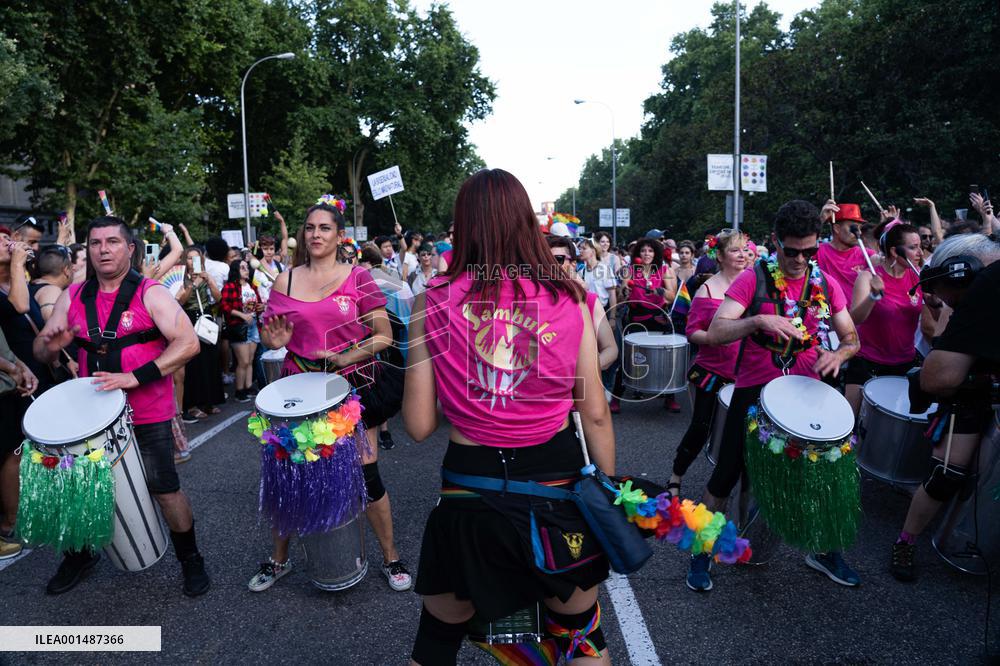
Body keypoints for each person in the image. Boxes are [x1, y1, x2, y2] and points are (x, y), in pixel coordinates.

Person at [404, 169, 615, 665]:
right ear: (526, 223)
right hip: (557, 486)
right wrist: (609, 494)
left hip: (469, 491)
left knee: (436, 643)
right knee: (583, 639)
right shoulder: (570, 297)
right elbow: (595, 413)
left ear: (464, 225)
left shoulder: (431, 300)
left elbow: (418, 425)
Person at [687, 199, 862, 592]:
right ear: (775, 241)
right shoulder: (753, 279)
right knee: (724, 476)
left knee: (820, 476)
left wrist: (838, 354)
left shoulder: (825, 283)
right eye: (791, 251)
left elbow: (852, 338)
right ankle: (702, 550)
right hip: (755, 392)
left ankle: (824, 551)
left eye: (809, 251)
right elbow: (716, 331)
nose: (800, 260)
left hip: (807, 394)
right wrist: (758, 320)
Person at [33, 216, 209, 596]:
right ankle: (80, 555)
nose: (103, 250)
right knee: (81, 488)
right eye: (95, 243)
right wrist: (49, 346)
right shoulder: (73, 296)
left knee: (164, 489)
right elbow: (41, 350)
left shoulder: (150, 293)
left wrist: (135, 376)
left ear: (130, 248)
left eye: (112, 242)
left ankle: (190, 558)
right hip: (89, 416)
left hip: (147, 412)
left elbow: (188, 343)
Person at [254, 198, 411, 593]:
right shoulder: (286, 281)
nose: (316, 234)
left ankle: (391, 558)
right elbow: (273, 336)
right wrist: (273, 341)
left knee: (366, 473)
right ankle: (279, 560)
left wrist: (344, 356)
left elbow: (383, 335)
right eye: (310, 227)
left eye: (324, 228)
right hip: (298, 388)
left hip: (350, 386)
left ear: (340, 236)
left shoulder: (358, 277)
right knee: (292, 473)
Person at [889, 233, 1000, 582]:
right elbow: (940, 361)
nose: (941, 296)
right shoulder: (961, 303)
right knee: (946, 475)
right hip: (969, 396)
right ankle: (906, 541)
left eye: (943, 289)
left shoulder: (980, 287)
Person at [667, 229, 748, 497]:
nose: (742, 255)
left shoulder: (754, 285)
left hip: (746, 374)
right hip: (712, 371)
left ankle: (728, 489)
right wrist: (715, 338)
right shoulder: (708, 288)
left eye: (745, 250)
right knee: (701, 427)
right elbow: (692, 332)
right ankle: (676, 475)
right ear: (720, 256)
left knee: (741, 432)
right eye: (735, 250)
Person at [845, 220, 923, 416]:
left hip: (905, 364)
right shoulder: (867, 277)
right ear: (895, 251)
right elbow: (854, 319)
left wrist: (936, 303)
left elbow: (936, 320)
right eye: (913, 247)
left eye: (920, 246)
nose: (920, 253)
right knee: (851, 422)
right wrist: (873, 297)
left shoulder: (919, 277)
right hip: (867, 363)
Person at [0, 231, 40, 560]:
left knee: (15, 450)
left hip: (9, 381)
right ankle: (10, 523)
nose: (8, 243)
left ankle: (14, 519)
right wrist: (13, 369)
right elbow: (21, 306)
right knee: (9, 453)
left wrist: (20, 366)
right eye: (0, 241)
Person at [610, 238, 677, 413]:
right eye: (643, 250)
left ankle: (670, 397)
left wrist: (660, 291)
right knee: (629, 357)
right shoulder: (630, 270)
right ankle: (616, 397)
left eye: (650, 251)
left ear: (656, 253)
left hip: (658, 318)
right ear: (638, 253)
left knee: (666, 358)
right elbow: (621, 296)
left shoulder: (664, 270)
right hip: (636, 318)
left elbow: (672, 296)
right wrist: (624, 291)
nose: (647, 254)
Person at [550, 236, 617, 371]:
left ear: (573, 264)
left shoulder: (589, 300)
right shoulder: (530, 300)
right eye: (544, 260)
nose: (550, 266)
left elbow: (611, 350)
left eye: (558, 260)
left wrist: (583, 371)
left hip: (602, 309)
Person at [175, 247, 224, 422]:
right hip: (189, 318)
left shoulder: (205, 275)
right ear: (184, 260)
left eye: (196, 258)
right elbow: (180, 301)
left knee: (210, 360)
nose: (192, 261)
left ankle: (209, 401)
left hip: (206, 318)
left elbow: (218, 298)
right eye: (189, 258)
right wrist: (193, 284)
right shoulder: (181, 277)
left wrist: (209, 280)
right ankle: (192, 405)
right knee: (194, 363)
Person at [817, 202, 877, 300]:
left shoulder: (866, 254)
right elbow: (799, 245)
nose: (859, 232)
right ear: (837, 228)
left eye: (860, 228)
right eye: (854, 228)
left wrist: (890, 227)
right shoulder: (818, 251)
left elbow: (885, 262)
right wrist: (820, 220)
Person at [220, 259, 261, 403]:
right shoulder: (230, 286)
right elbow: (224, 306)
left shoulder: (252, 286)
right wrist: (242, 315)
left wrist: (261, 307)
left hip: (253, 324)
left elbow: (257, 303)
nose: (246, 270)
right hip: (238, 326)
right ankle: (239, 390)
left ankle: (248, 387)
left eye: (246, 267)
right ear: (236, 270)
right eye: (242, 267)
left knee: (250, 360)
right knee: (243, 361)